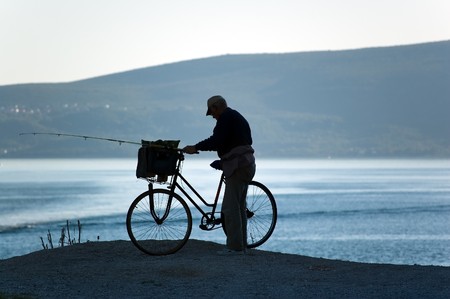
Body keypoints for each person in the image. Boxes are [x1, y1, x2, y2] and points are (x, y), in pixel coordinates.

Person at [183, 95, 256, 254]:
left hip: (238, 167)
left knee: (230, 209)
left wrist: (196, 147)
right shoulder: (235, 116)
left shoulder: (226, 118)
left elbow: (216, 141)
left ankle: (235, 248)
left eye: (212, 112)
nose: (213, 116)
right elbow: (237, 141)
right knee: (239, 207)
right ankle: (241, 245)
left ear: (217, 107)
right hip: (246, 165)